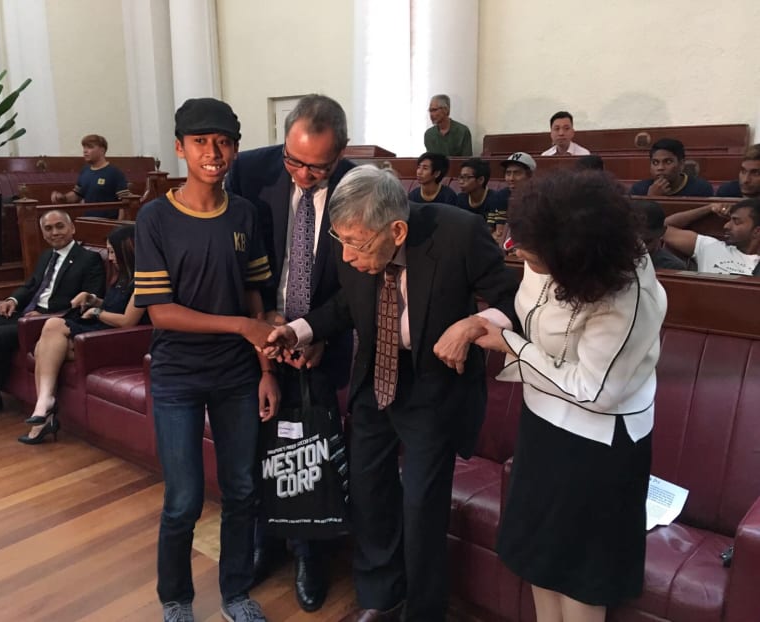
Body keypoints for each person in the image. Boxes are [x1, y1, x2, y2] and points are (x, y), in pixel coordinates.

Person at [265, 165, 518, 621]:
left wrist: (475, 324)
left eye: (356, 245)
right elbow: (347, 305)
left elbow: (512, 300)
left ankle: (423, 610)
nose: (347, 257)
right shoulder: (356, 244)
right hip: (375, 379)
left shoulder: (458, 233)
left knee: (421, 504)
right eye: (341, 243)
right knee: (368, 490)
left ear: (397, 230)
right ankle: (381, 595)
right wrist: (298, 331)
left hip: (433, 384)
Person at [474, 169, 667, 622]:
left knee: (579, 576)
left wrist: (513, 346)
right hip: (544, 422)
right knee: (540, 558)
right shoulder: (543, 238)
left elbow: (594, 390)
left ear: (572, 261)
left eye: (530, 255)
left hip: (598, 442)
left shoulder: (626, 294)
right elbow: (531, 310)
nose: (519, 256)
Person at [134, 97, 278, 622]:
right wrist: (242, 326)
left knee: (242, 489)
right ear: (180, 147)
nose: (213, 153)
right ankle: (177, 599)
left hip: (239, 376)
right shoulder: (154, 218)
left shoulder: (245, 213)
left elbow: (255, 296)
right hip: (177, 377)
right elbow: (160, 313)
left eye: (223, 142)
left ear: (235, 148)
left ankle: (236, 593)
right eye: (200, 142)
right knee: (185, 499)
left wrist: (265, 368)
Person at [226, 94, 354, 612]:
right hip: (260, 331)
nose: (302, 174)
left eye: (316, 166)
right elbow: (237, 257)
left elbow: (361, 281)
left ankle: (309, 550)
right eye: (293, 160)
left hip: (321, 340)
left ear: (340, 152)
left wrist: (315, 333)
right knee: (258, 442)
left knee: (314, 448)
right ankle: (266, 540)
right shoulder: (252, 171)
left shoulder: (357, 186)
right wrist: (264, 326)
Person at [0, 210, 105, 431]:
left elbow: (88, 302)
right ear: (43, 233)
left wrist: (45, 316)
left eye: (60, 226)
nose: (54, 232)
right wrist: (12, 299)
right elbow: (31, 286)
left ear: (72, 228)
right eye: (48, 229)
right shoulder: (46, 256)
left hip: (51, 323)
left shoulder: (89, 259)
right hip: (25, 315)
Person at [19, 224, 148, 445]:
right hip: (103, 332)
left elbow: (127, 321)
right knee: (46, 340)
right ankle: (43, 409)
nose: (109, 257)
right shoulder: (122, 276)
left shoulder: (145, 279)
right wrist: (92, 299)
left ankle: (44, 411)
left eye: (113, 251)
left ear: (128, 250)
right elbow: (113, 306)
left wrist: (97, 311)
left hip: (120, 340)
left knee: (49, 334)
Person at [663, 199, 760, 275]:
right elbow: (664, 228)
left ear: (757, 231)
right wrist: (709, 208)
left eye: (736, 222)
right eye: (730, 220)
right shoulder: (710, 246)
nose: (726, 226)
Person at [51, 134, 130, 218]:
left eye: (90, 147)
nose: (85, 151)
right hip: (88, 222)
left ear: (102, 150)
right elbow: (77, 195)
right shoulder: (85, 171)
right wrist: (62, 198)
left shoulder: (114, 173)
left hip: (108, 223)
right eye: (84, 147)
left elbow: (125, 203)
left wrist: (119, 225)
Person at [630, 139, 714, 197]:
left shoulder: (701, 189)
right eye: (655, 162)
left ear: (681, 164)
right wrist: (651, 198)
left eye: (668, 162)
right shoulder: (639, 189)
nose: (660, 168)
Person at [494, 152, 537, 248]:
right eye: (508, 173)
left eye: (517, 173)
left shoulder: (540, 197)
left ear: (530, 175)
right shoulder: (501, 196)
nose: (511, 178)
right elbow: (500, 232)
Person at [631, 200, 687, 270]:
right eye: (634, 241)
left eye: (647, 242)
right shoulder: (617, 260)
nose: (640, 247)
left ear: (662, 232)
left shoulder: (673, 266)